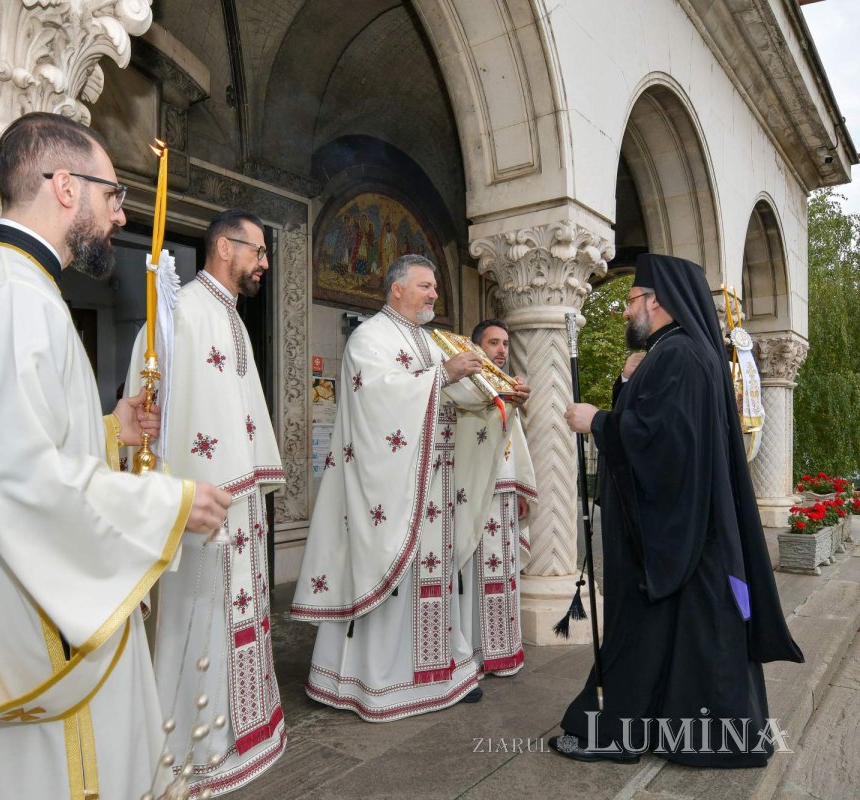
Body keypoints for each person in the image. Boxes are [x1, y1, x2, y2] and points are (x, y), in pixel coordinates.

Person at [0, 112, 232, 800]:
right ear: (65, 186)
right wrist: (171, 504)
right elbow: (14, 476)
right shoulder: (12, 294)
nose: (121, 216)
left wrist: (109, 429)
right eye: (112, 196)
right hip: (23, 618)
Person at [552, 253, 802, 766]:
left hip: (681, 540)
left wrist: (597, 420)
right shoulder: (676, 352)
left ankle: (637, 730)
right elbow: (657, 424)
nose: (626, 312)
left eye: (632, 301)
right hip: (690, 534)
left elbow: (667, 446)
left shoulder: (680, 356)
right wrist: (625, 387)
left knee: (676, 633)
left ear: (658, 302)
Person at [290, 254, 512, 721]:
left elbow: (457, 390)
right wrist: (444, 376)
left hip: (436, 489)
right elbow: (378, 396)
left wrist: (500, 394)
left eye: (434, 287)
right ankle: (378, 682)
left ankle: (443, 673)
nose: (434, 294)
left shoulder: (430, 341)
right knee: (392, 578)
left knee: (436, 579)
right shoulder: (369, 337)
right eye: (426, 286)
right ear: (397, 289)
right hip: (391, 491)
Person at [129, 210, 287, 795]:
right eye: (259, 250)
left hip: (236, 503)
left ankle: (242, 733)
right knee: (197, 621)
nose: (265, 262)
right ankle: (189, 752)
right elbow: (157, 413)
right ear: (225, 247)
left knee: (232, 618)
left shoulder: (229, 315)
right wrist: (177, 495)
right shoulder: (180, 311)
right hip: (200, 506)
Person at [470, 319, 537, 676]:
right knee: (475, 579)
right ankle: (478, 655)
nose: (501, 350)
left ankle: (505, 650)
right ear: (476, 347)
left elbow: (517, 441)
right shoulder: (465, 385)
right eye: (493, 343)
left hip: (506, 496)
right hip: (476, 497)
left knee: (505, 575)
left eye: (505, 344)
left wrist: (521, 486)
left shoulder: (509, 386)